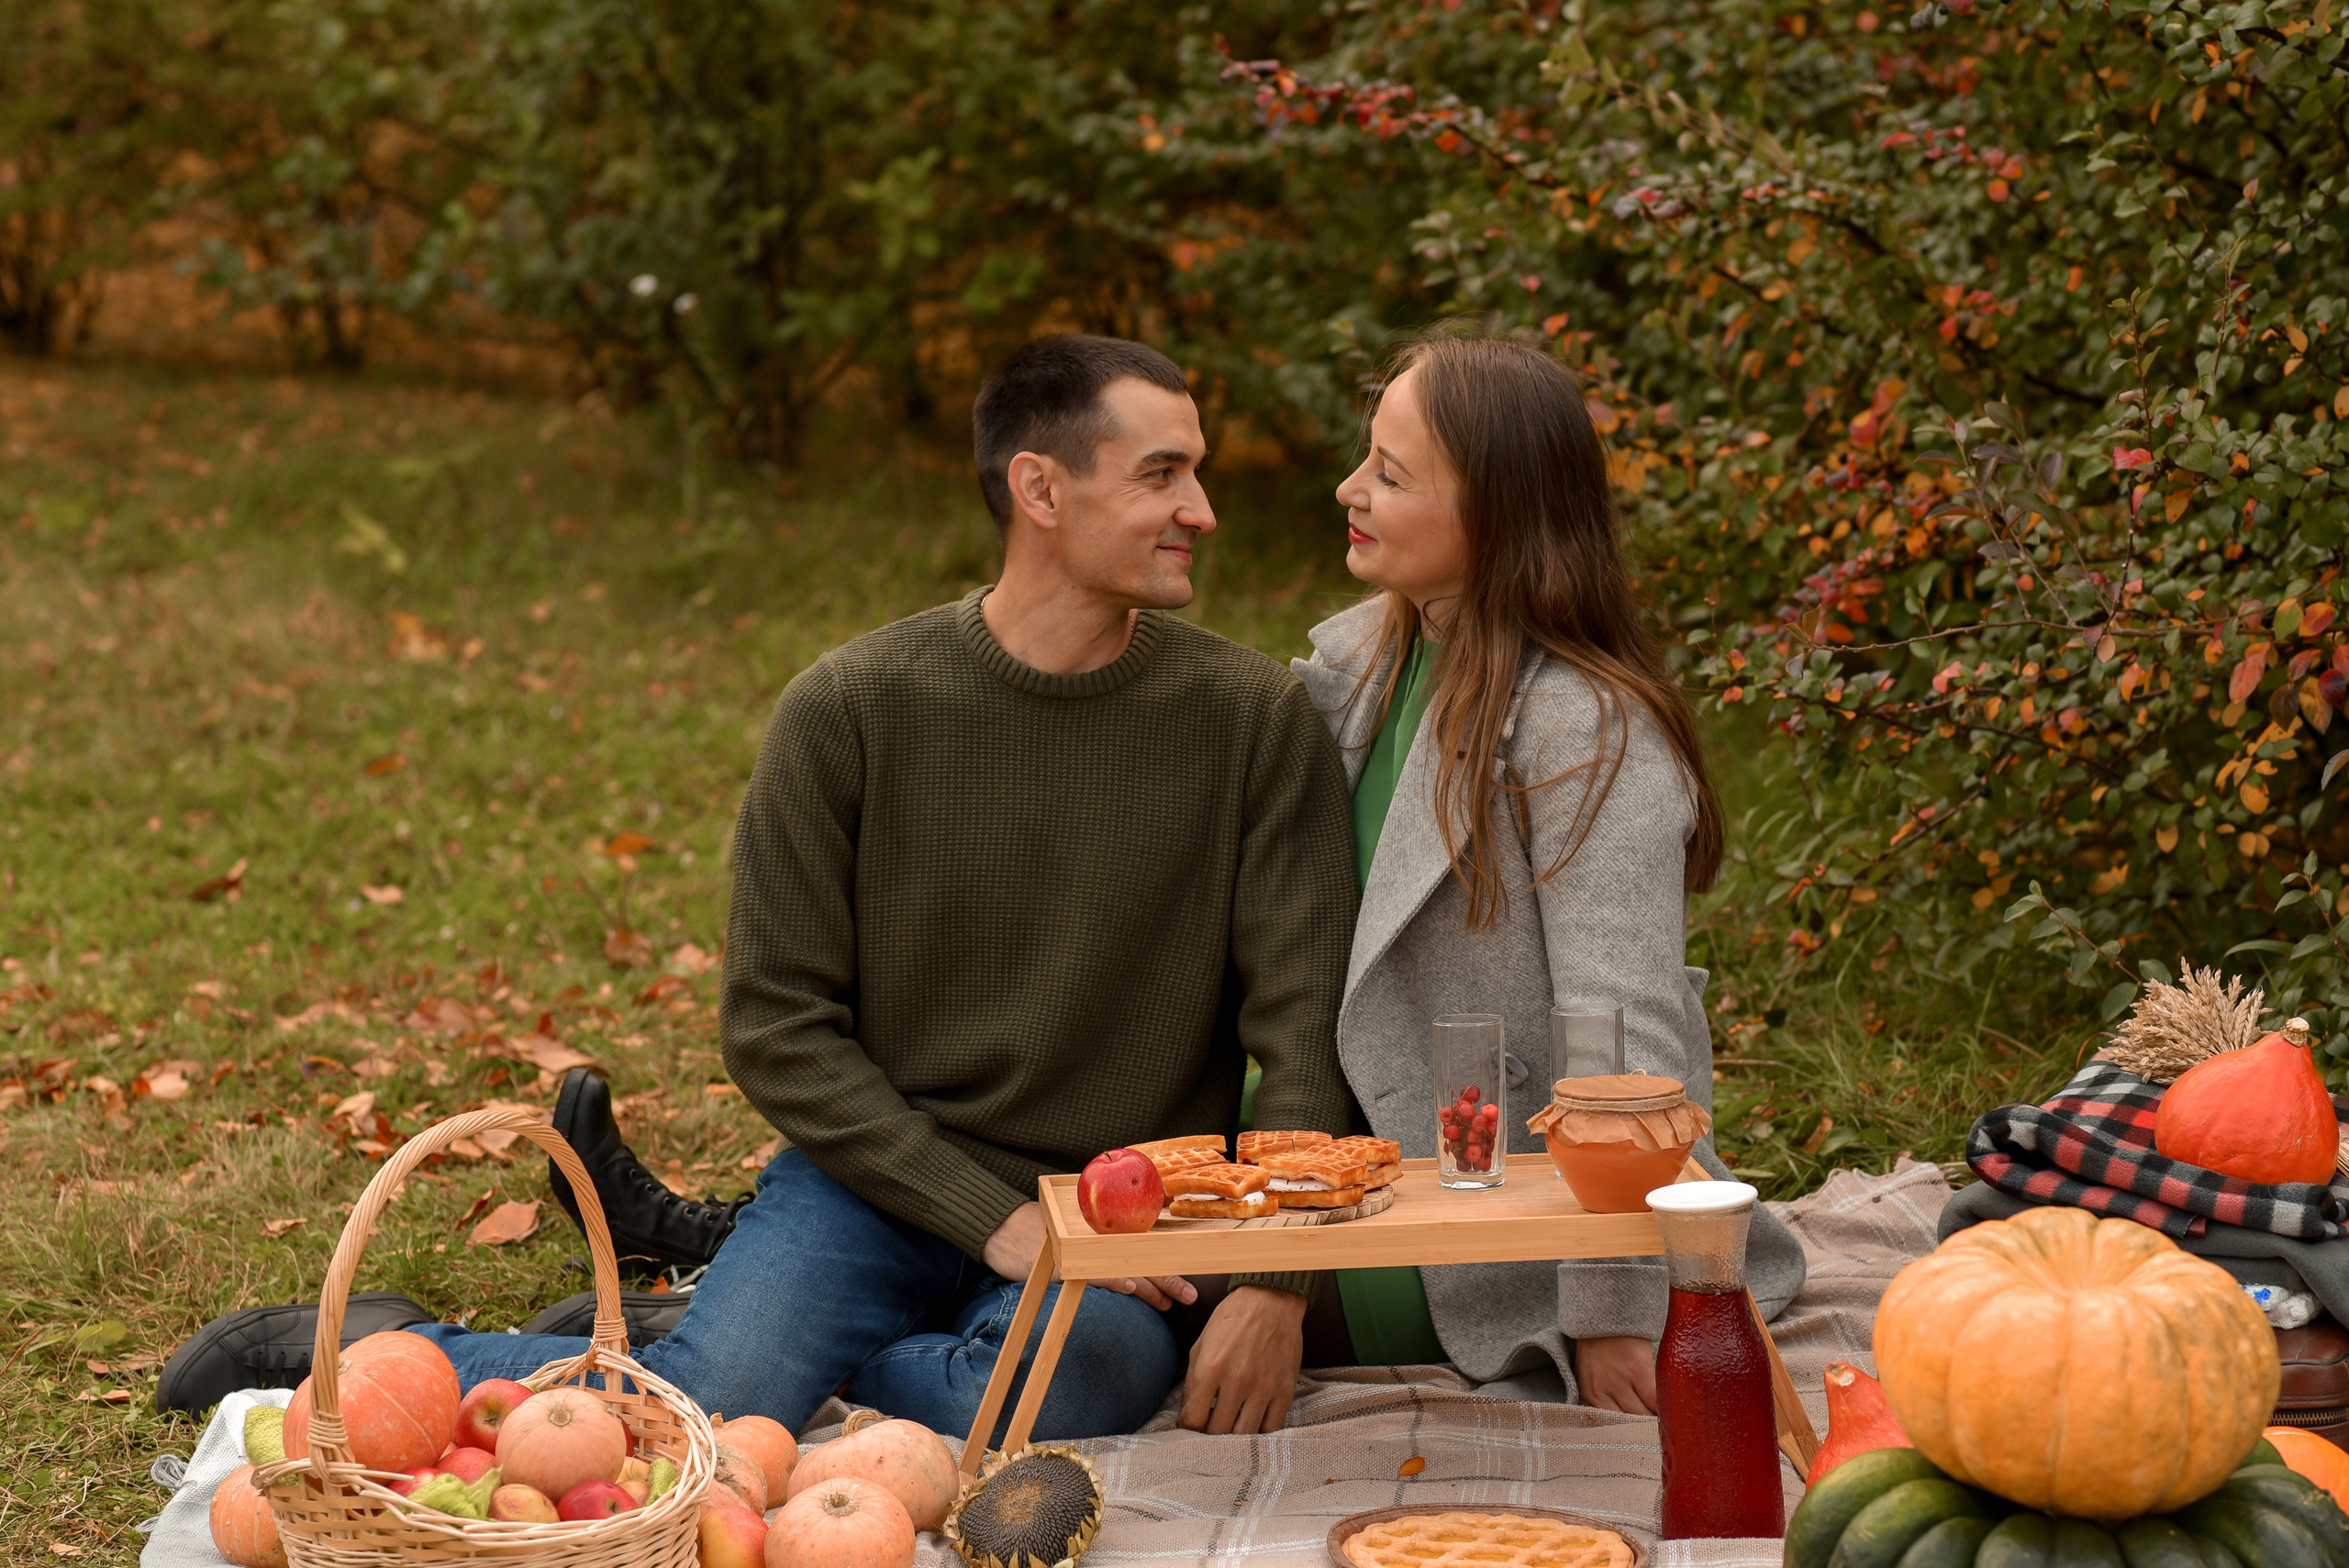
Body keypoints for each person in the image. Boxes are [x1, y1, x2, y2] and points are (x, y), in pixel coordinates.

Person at [157, 333, 1360, 1440]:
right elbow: (778, 1028)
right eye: (1162, 476)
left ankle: (714, 1333)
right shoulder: (853, 709)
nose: (1201, 509)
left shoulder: (1252, 722)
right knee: (710, 1412)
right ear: (1041, 491)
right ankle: (410, 1344)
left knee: (1078, 1389)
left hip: (1118, 1218)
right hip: (873, 1183)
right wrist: (988, 1213)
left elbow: (1302, 1030)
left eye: (1195, 474)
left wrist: (1273, 1280)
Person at [1288, 326, 1807, 1412]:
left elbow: (1624, 1034)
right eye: (1364, 458)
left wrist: (1613, 1306)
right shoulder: (1364, 666)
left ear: (1495, 514)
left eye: (1389, 473)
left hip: (1480, 1236)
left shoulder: (1586, 726)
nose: (1352, 487)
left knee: (1122, 1333)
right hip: (1323, 1162)